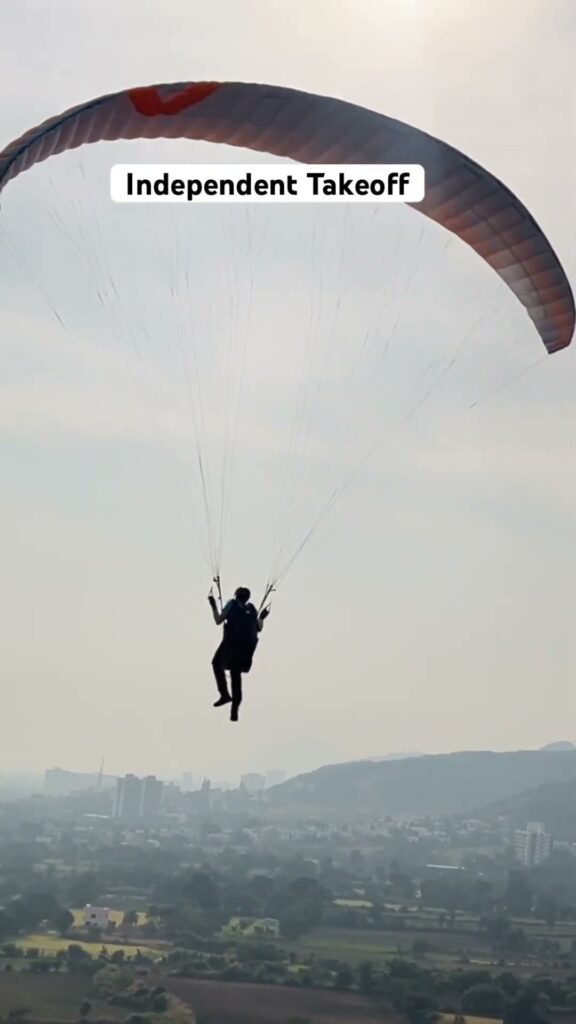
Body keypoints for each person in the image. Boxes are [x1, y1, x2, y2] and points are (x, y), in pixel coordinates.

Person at [208, 586, 270, 722]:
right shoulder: (252, 609)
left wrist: (213, 605)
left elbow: (218, 620)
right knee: (236, 676)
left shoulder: (232, 604)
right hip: (245, 650)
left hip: (230, 646)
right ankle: (234, 710)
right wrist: (262, 617)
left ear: (236, 595)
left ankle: (224, 694)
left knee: (216, 663)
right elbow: (259, 627)